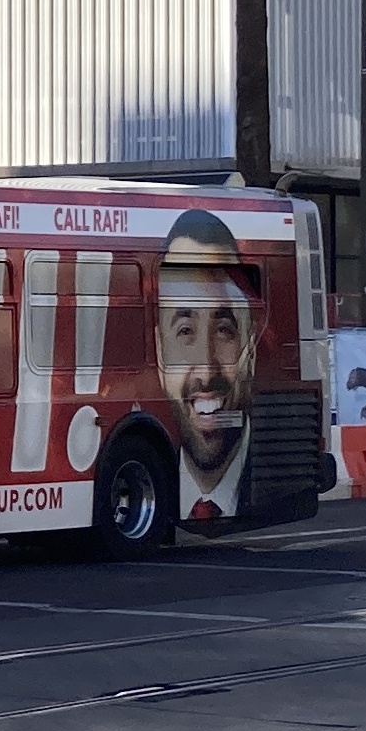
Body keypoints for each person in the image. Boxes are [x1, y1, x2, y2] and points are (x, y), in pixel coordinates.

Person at [156, 210, 258, 522]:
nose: (205, 371)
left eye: (224, 330)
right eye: (185, 331)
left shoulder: (272, 467)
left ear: (250, 349)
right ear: (159, 353)